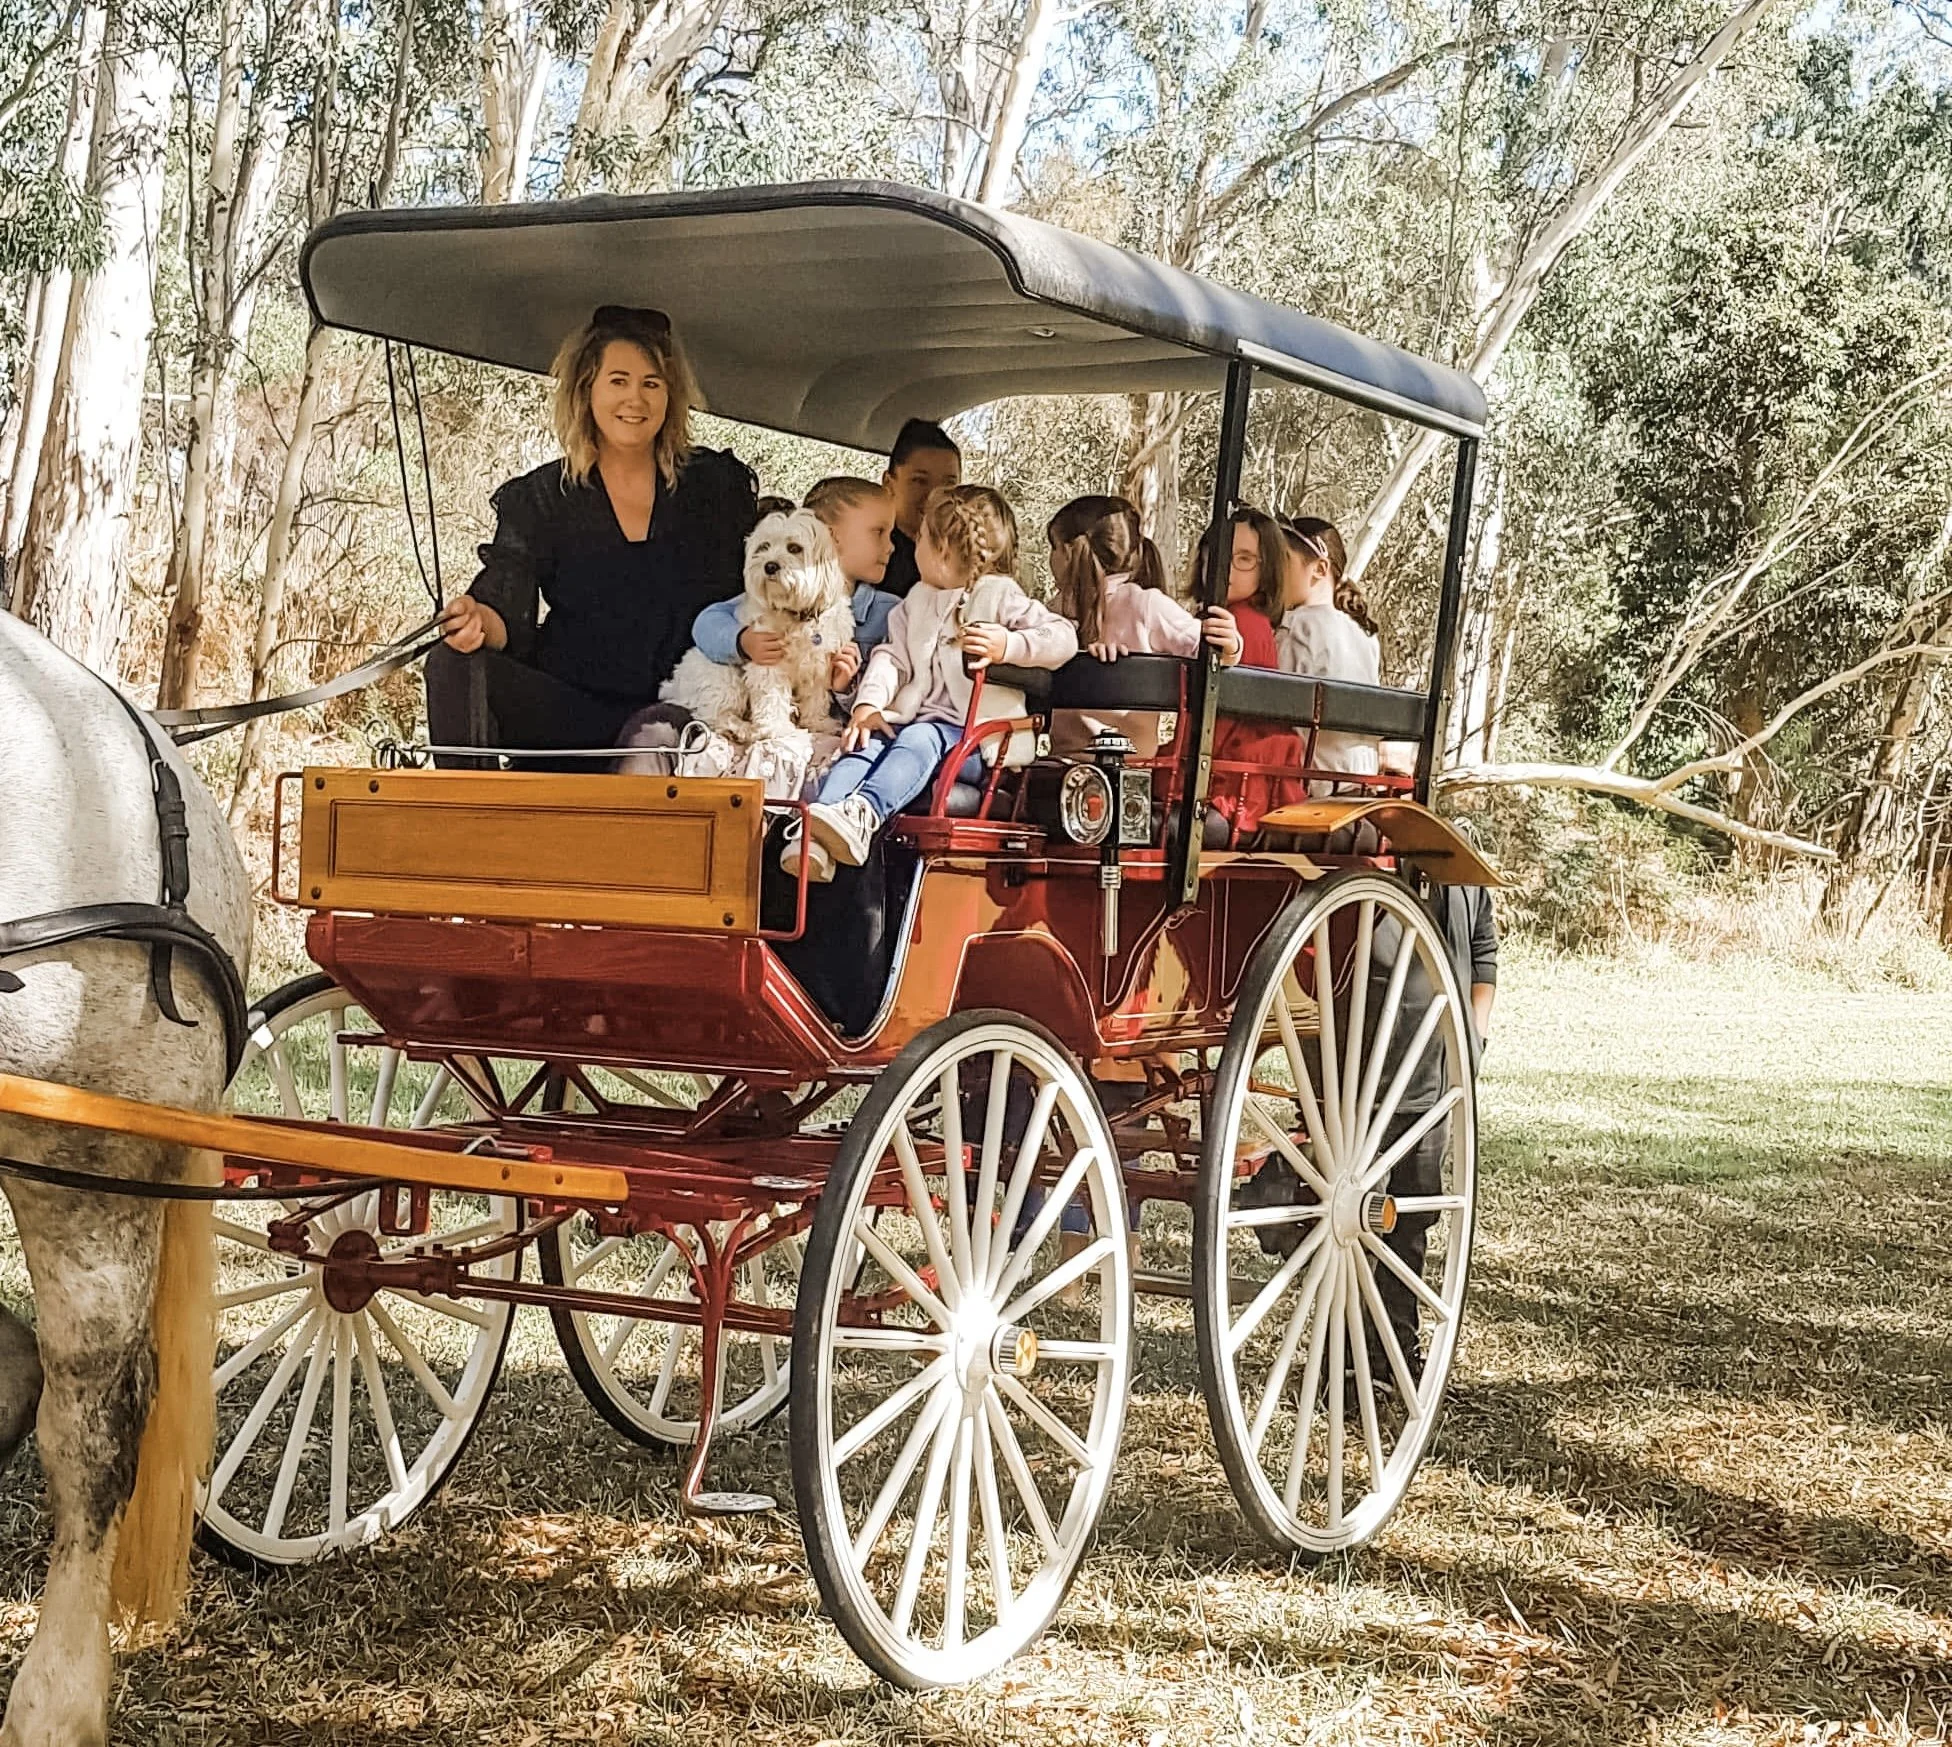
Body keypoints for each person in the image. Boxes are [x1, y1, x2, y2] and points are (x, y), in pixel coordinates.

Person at [427, 305, 757, 765]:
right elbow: (507, 608)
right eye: (618, 381)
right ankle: (467, 826)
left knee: (656, 735)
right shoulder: (541, 497)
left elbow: (759, 586)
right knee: (452, 665)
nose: (635, 401)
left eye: (651, 383)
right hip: (573, 711)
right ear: (587, 390)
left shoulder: (716, 488)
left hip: (679, 714)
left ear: (671, 394)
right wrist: (475, 621)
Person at [791, 485, 1075, 880]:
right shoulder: (916, 601)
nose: (912, 546)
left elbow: (1062, 637)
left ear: (941, 550)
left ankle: (865, 813)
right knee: (865, 740)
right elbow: (891, 657)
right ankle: (816, 829)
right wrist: (868, 705)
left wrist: (1010, 644)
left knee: (919, 737)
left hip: (976, 740)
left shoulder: (999, 595)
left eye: (920, 537)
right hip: (920, 726)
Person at [1044, 494, 1242, 757]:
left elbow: (1211, 652)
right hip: (1132, 769)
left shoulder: (1144, 606)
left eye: (1053, 547)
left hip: (1067, 766)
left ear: (1067, 552)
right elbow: (1208, 649)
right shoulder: (1056, 610)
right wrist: (1231, 647)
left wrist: (1229, 645)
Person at [688, 475, 901, 694]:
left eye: (890, 534)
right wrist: (742, 641)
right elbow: (706, 623)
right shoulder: (775, 598)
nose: (890, 546)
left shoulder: (891, 613)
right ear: (827, 535)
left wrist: (844, 689)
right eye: (879, 532)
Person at [1275, 515, 1382, 790]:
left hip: (1314, 791)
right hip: (1360, 792)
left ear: (1320, 569)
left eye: (1284, 561)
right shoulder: (1365, 634)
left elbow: (1269, 711)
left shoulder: (1296, 626)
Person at [879, 419, 962, 598]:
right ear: (888, 483)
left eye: (949, 484)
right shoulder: (873, 554)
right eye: (919, 481)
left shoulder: (968, 555)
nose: (934, 495)